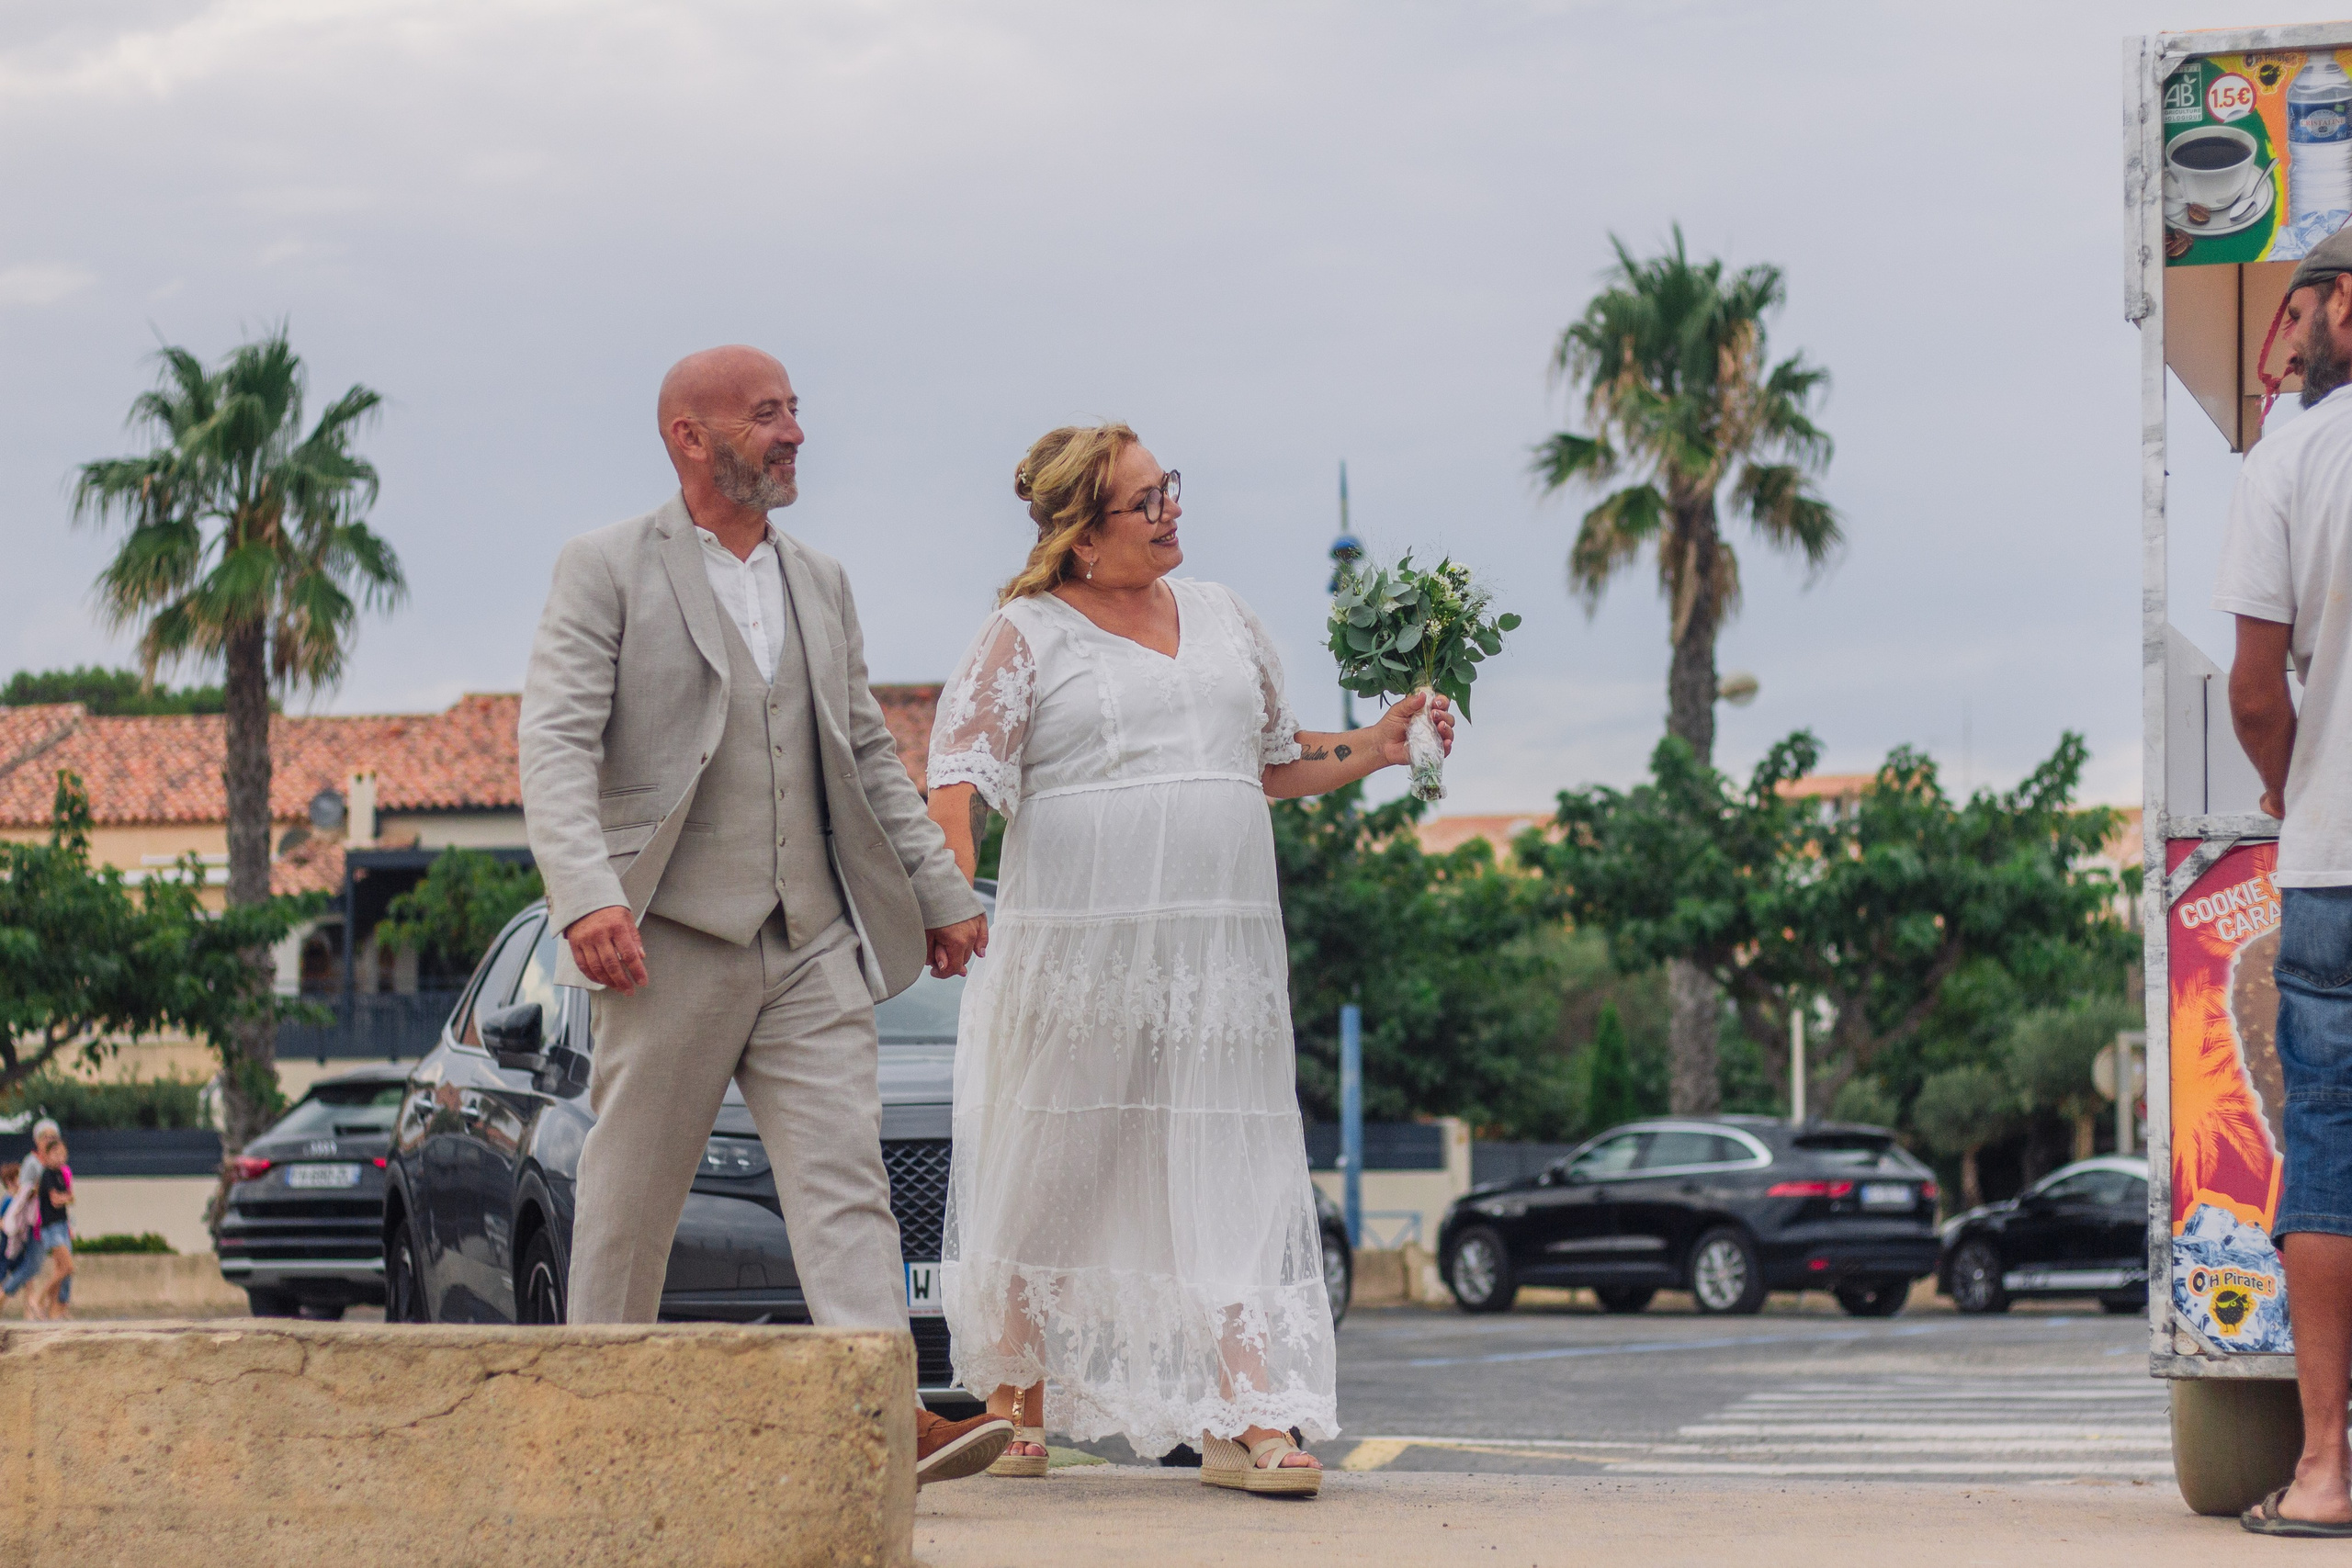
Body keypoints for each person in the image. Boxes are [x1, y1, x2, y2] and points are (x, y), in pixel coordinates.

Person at [926, 423, 1453, 1496]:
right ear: (1079, 536)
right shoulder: (1023, 634)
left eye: (1168, 488)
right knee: (1051, 1159)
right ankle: (1013, 1399)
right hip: (1075, 948)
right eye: (1142, 500)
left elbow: (1273, 761)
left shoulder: (1222, 616)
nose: (1170, 510)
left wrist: (1379, 744)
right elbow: (957, 780)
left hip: (1219, 954)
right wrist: (949, 898)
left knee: (1231, 1167)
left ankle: (1246, 1413)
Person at [518, 344, 1011, 1486]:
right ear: (689, 437)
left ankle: (884, 1413)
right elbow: (553, 743)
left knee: (848, 1186)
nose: (794, 433)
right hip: (669, 938)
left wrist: (940, 895)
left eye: (795, 411)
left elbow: (865, 758)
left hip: (811, 938)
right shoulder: (604, 567)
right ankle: (598, 1419)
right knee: (633, 1195)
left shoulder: (821, 580)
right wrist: (587, 893)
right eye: (766, 415)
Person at [2221, 228, 2352, 1539]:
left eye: (2303, 306)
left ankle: (2325, 1470)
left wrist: (2287, 784)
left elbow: (2256, 690)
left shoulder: (2291, 458)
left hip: (2339, 861)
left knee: (2328, 1156)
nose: (2292, 333)